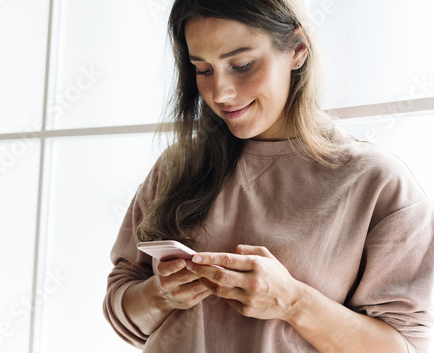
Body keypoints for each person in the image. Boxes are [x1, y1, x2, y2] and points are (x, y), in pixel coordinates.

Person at [103, 0, 434, 352]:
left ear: (298, 50)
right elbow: (123, 310)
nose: (220, 94)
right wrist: (161, 293)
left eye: (242, 65)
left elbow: (404, 347)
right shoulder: (176, 167)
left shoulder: (378, 184)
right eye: (203, 70)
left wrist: (294, 303)